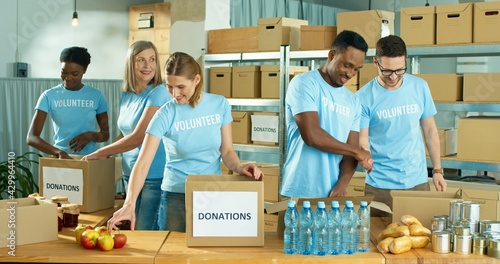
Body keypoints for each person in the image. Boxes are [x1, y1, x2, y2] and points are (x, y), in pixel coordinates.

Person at [107, 52, 263, 232]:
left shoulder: (219, 105)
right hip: (175, 195)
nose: (175, 94)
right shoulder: (165, 114)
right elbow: (143, 163)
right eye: (169, 86)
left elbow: (227, 151)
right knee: (172, 257)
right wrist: (129, 203)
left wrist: (239, 167)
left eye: (181, 86)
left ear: (196, 80)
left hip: (211, 193)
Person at [82, 41, 170, 230]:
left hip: (153, 177)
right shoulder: (127, 95)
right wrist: (104, 155)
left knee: (145, 233)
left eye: (152, 59)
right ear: (131, 63)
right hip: (129, 175)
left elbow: (139, 136)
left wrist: (101, 152)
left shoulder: (159, 93)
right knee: (131, 233)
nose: (148, 66)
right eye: (141, 60)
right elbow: (125, 133)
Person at [356, 35, 447, 215]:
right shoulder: (363, 98)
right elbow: (362, 140)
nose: (393, 77)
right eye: (387, 71)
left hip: (417, 181)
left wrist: (437, 170)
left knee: (418, 238)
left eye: (399, 70)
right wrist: (364, 156)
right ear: (375, 62)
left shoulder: (420, 87)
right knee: (379, 239)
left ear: (405, 60)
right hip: (380, 185)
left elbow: (430, 131)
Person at [280, 30, 373, 199]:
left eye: (356, 69)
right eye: (347, 65)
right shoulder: (304, 84)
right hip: (297, 192)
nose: (350, 74)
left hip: (332, 197)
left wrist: (342, 184)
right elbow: (312, 135)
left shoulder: (353, 102)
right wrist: (356, 151)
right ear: (331, 55)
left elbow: (350, 153)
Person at [27, 47, 109, 159]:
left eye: (74, 74)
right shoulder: (48, 96)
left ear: (84, 70)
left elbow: (106, 134)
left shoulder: (97, 96)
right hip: (61, 158)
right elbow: (31, 138)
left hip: (90, 159)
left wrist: (89, 135)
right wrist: (58, 152)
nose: (68, 78)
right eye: (63, 72)